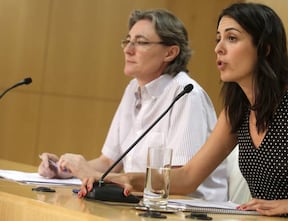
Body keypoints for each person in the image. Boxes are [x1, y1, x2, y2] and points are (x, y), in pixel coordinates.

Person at [79, 3, 288, 220]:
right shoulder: (238, 112)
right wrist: (116, 179)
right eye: (218, 38)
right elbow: (188, 177)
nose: (219, 48)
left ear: (266, 48)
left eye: (232, 38)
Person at [38, 9, 228, 202]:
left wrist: (99, 173)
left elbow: (179, 179)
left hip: (187, 209)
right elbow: (110, 161)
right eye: (127, 41)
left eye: (141, 42)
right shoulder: (133, 88)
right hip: (142, 203)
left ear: (170, 52)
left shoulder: (186, 95)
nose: (128, 49)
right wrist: (67, 169)